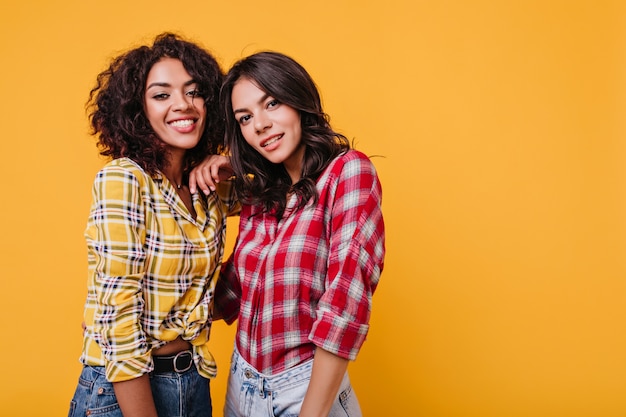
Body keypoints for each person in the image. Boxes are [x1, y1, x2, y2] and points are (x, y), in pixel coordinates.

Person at [189, 51, 386, 417]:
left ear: (298, 100)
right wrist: (143, 316)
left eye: (272, 103)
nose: (260, 125)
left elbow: (345, 306)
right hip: (240, 386)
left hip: (305, 391)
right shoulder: (263, 194)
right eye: (245, 118)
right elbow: (233, 292)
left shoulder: (347, 173)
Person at [68, 33, 238, 417]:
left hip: (193, 381)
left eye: (194, 92)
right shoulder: (125, 180)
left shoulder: (208, 187)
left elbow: (286, 192)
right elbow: (118, 319)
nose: (183, 105)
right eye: (162, 95)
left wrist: (233, 165)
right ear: (137, 110)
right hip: (122, 391)